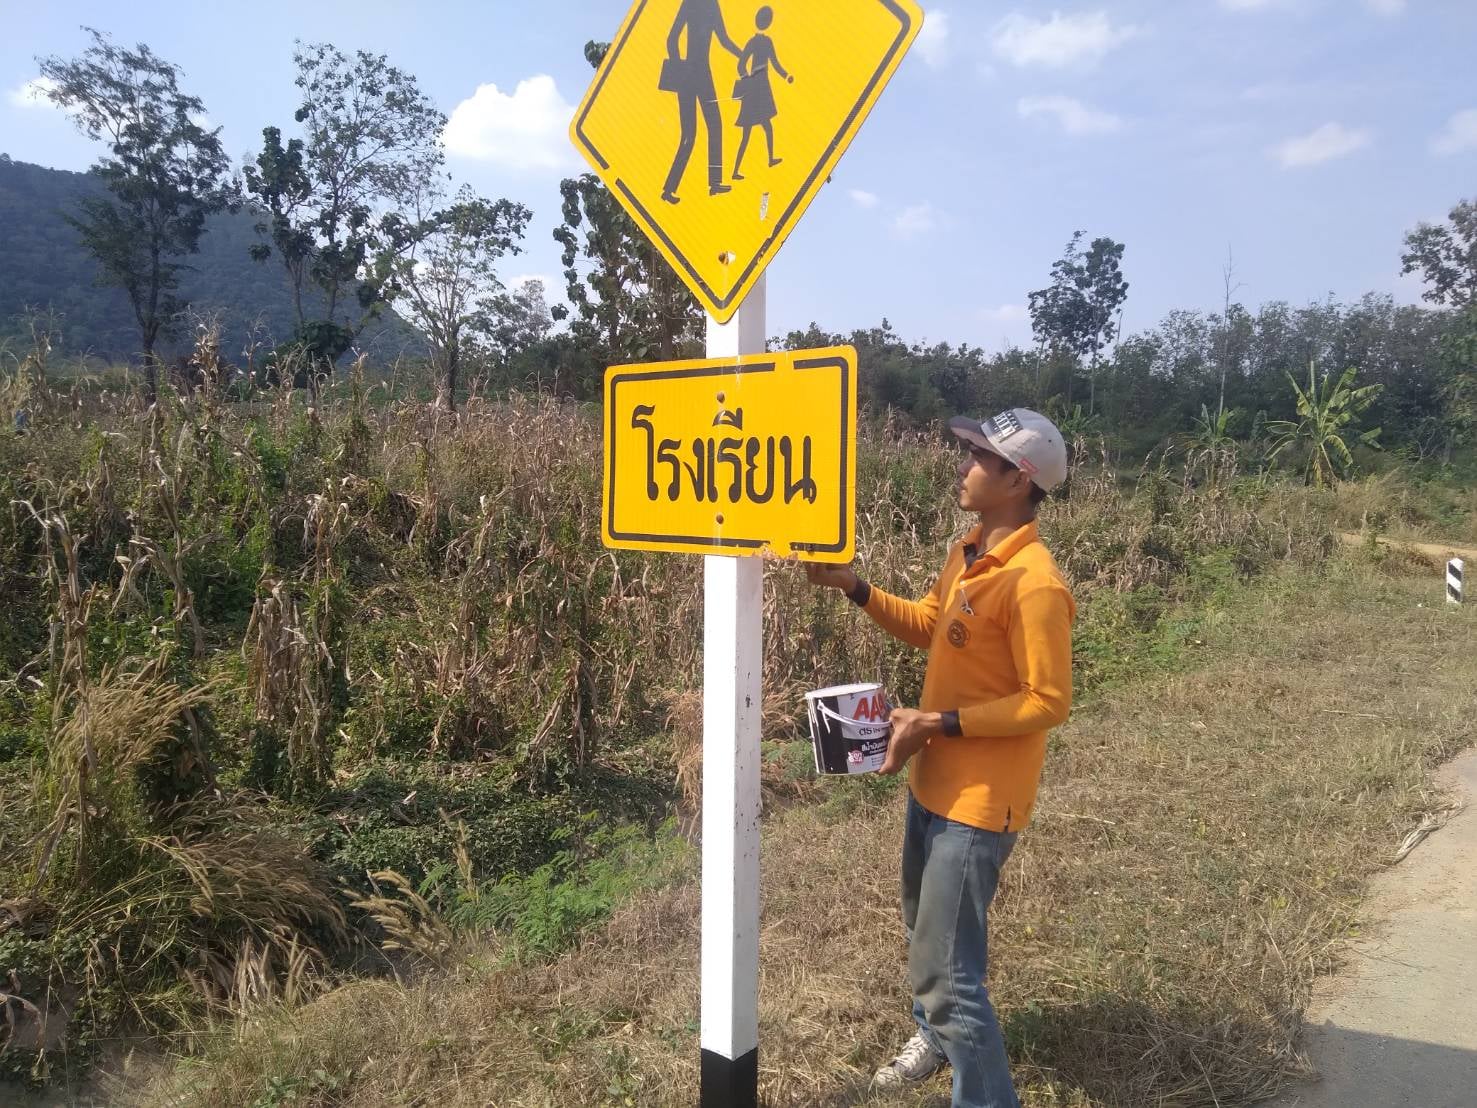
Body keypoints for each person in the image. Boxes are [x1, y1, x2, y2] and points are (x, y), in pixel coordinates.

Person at [805, 408, 1076, 1108]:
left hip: (978, 805)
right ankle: (934, 1037)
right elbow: (932, 625)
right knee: (925, 931)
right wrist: (854, 587)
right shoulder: (968, 552)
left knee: (948, 974)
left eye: (979, 458)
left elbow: (1047, 701)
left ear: (1018, 480)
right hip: (931, 786)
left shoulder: (1034, 583)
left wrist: (939, 722)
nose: (962, 467)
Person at [660, 0, 742, 204]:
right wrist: (679, 69)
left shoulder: (711, 4)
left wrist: (743, 56)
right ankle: (670, 189)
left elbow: (723, 39)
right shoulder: (692, 3)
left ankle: (714, 183)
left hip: (700, 74)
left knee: (712, 127)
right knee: (690, 134)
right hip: (693, 74)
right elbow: (672, 39)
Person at [732, 6, 793, 180]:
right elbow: (741, 65)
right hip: (755, 88)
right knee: (747, 133)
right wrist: (748, 80)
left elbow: (775, 62)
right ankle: (735, 171)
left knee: (767, 125)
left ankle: (770, 158)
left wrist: (786, 76)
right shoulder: (754, 42)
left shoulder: (766, 42)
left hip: (762, 87)